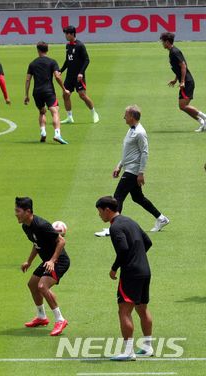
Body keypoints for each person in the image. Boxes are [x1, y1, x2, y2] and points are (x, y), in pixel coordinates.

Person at [95, 196, 155, 361]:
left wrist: (114, 268)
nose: (99, 215)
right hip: (145, 270)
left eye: (100, 212)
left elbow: (123, 249)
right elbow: (147, 242)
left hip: (131, 274)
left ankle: (128, 352)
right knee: (142, 308)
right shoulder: (130, 221)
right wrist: (138, 257)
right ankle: (148, 347)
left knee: (124, 310)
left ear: (107, 210)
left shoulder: (115, 228)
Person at [95, 105, 169, 237]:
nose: (124, 117)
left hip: (133, 170)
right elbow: (127, 152)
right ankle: (161, 218)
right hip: (128, 168)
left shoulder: (140, 133)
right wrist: (119, 165)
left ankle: (113, 228)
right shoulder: (131, 130)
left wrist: (141, 173)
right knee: (138, 198)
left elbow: (144, 153)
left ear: (132, 117)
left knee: (117, 197)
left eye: (126, 115)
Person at [14, 196, 69, 336]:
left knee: (42, 286)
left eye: (18, 211)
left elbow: (61, 241)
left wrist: (52, 261)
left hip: (59, 261)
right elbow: (36, 243)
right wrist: (29, 261)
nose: (16, 214)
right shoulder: (26, 226)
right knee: (32, 284)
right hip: (47, 260)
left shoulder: (41, 225)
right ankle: (41, 317)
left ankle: (60, 319)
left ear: (28, 211)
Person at [159, 32, 206, 132]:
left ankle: (204, 118)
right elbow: (178, 68)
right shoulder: (172, 51)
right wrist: (176, 79)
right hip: (185, 82)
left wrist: (183, 81)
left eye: (163, 42)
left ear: (167, 42)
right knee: (183, 106)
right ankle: (202, 123)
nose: (162, 44)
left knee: (183, 105)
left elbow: (183, 66)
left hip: (187, 82)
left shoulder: (175, 52)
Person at [24, 41, 69, 145]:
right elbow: (57, 76)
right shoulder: (52, 62)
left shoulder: (33, 63)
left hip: (37, 92)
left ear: (38, 50)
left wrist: (26, 95)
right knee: (55, 111)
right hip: (48, 91)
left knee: (42, 111)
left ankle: (43, 132)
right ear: (47, 50)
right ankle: (57, 134)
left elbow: (28, 80)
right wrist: (64, 89)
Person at [61, 25, 99, 124]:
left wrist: (81, 73)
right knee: (65, 95)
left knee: (82, 95)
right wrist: (61, 70)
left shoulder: (80, 45)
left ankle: (94, 113)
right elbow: (68, 60)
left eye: (66, 34)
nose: (65, 35)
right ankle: (69, 117)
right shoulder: (68, 45)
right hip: (69, 76)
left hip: (78, 76)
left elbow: (87, 60)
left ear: (72, 34)